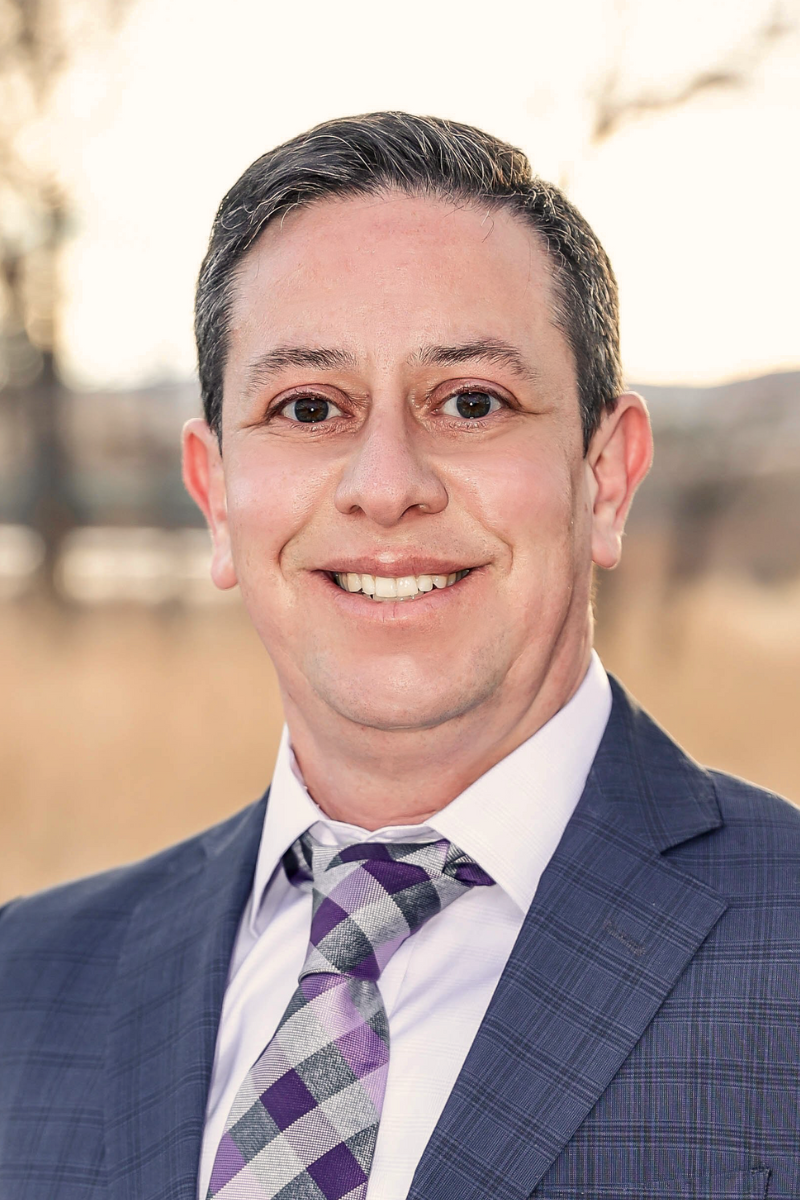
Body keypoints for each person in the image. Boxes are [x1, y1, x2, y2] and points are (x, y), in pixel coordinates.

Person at [1, 112, 798, 1200]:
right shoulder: (26, 985)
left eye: (470, 402)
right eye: (308, 407)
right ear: (217, 495)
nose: (385, 483)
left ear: (603, 477)